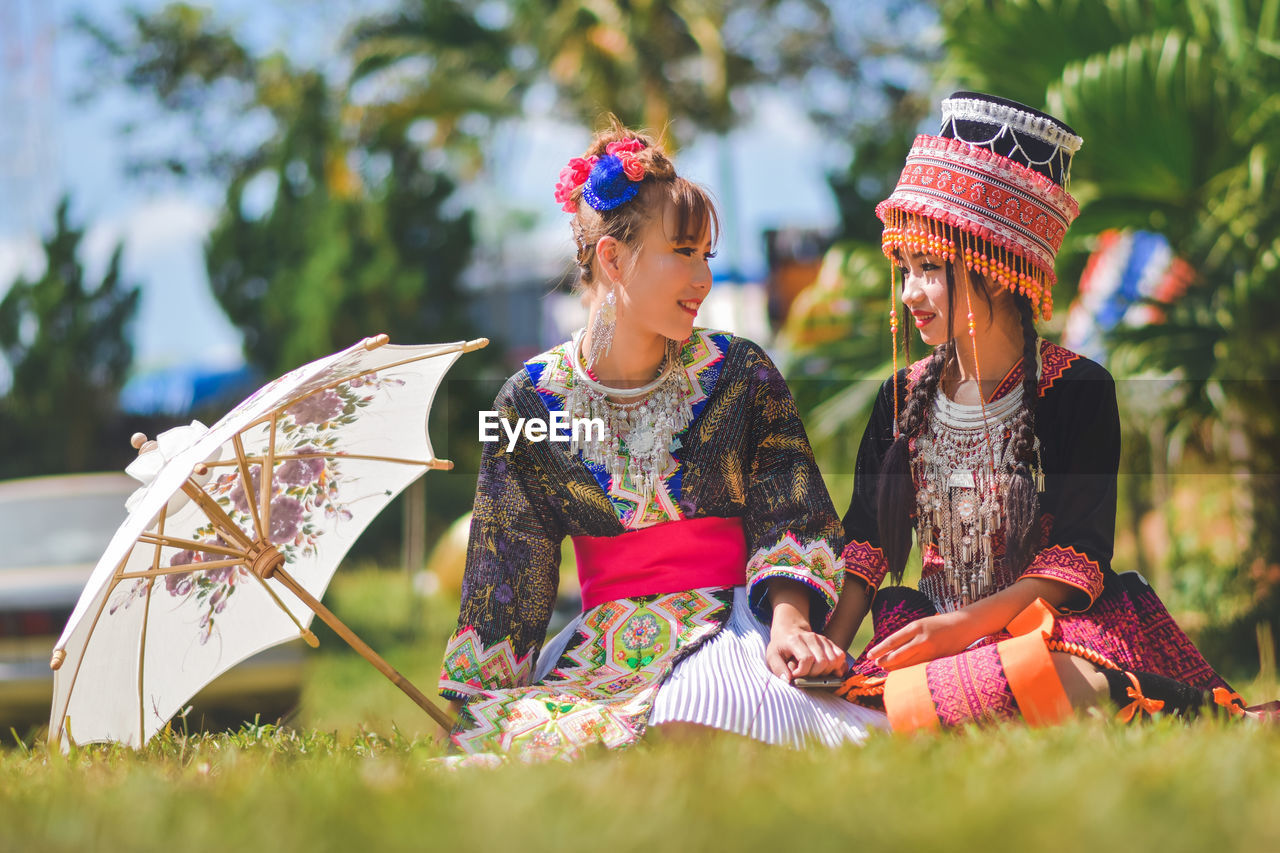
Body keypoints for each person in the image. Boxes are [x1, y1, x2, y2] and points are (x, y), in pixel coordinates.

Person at [438, 121, 886, 762]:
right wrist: (474, 712)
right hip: (600, 646)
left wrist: (788, 623)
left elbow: (795, 522)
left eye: (707, 254)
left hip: (730, 628)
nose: (703, 277)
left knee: (686, 724)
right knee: (507, 742)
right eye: (683, 252)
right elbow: (505, 582)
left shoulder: (741, 373)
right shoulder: (528, 401)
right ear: (613, 260)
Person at [824, 93, 1254, 730]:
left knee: (1044, 678)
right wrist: (830, 651)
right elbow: (864, 543)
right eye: (905, 269)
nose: (910, 291)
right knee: (870, 702)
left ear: (995, 272)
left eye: (930, 269)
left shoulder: (1078, 388)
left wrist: (964, 628)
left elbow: (1080, 554)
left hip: (1049, 629)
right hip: (929, 629)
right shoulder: (899, 396)